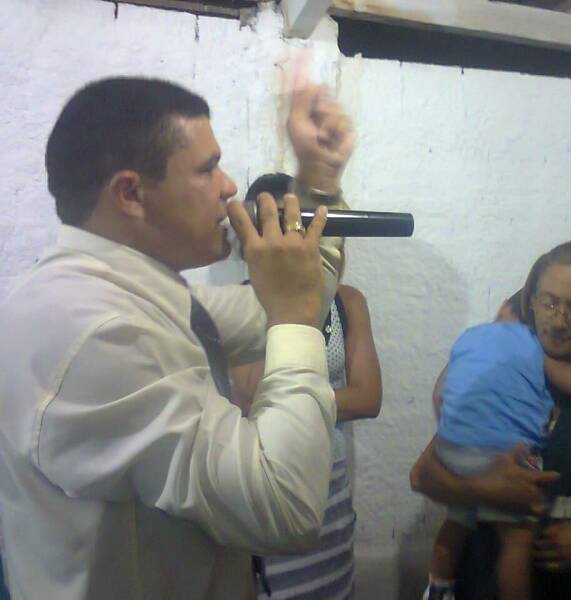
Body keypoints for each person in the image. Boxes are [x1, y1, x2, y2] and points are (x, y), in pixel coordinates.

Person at [0, 72, 354, 600]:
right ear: (131, 194)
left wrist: (319, 182)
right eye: (208, 169)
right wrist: (293, 319)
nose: (229, 186)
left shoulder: (125, 294)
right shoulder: (95, 330)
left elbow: (296, 298)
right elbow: (284, 507)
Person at [412, 241, 571, 599]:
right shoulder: (502, 370)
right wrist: (487, 491)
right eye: (549, 303)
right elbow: (424, 474)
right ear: (531, 301)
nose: (558, 321)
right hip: (482, 573)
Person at [229, 173, 382, 600]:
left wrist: (291, 397)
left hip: (332, 483)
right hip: (271, 476)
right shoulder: (241, 304)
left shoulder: (347, 301)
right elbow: (251, 396)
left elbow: (369, 398)